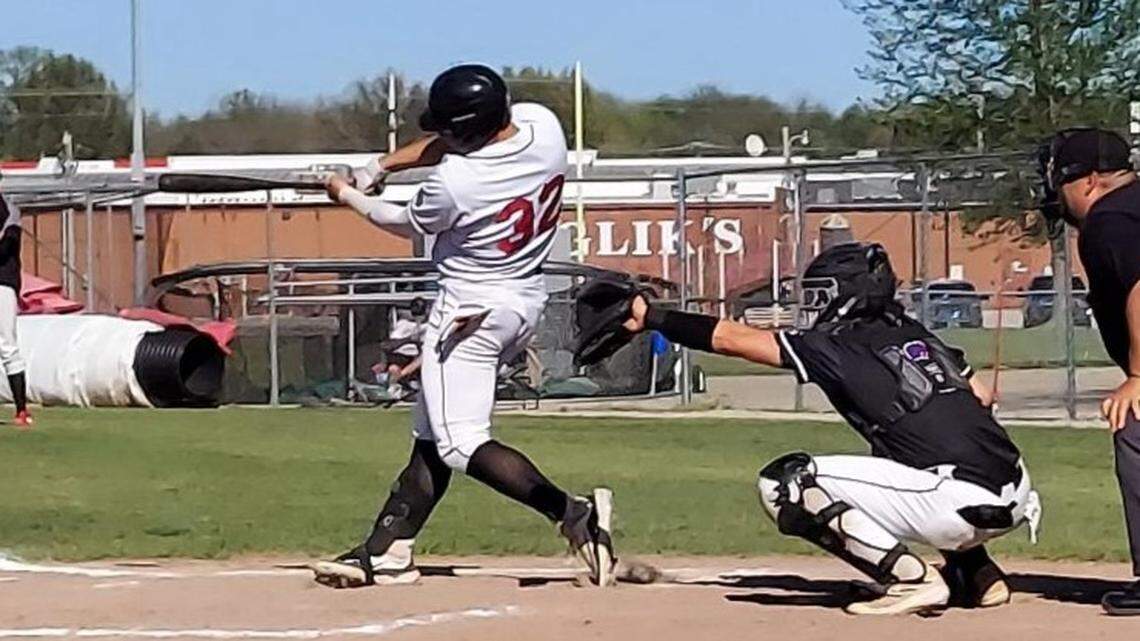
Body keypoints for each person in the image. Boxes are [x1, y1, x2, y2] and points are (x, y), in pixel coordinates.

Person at [311, 64, 614, 587]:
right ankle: (388, 550)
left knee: (460, 444)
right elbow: (448, 142)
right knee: (432, 434)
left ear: (467, 131)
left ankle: (572, 513)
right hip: (520, 299)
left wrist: (348, 196)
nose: (442, 137)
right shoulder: (543, 125)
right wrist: (376, 168)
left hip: (470, 312)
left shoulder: (457, 183)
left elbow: (398, 220)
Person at [621, 242, 1039, 615]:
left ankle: (911, 580)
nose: (813, 304)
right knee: (902, 454)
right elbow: (982, 395)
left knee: (787, 482)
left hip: (956, 503)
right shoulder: (912, 331)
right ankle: (980, 577)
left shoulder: (836, 344)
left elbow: (731, 339)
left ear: (846, 293)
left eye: (821, 293)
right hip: (1015, 492)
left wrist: (651, 316)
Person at [1039, 127, 1140, 615]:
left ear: (1091, 181)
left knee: (1135, 425)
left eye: (1060, 181)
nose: (1054, 193)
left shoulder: (1110, 219)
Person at [0, 192, 31, 428]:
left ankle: (21, 409)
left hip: (2, 284)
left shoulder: (9, 209)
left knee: (7, 347)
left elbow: (7, 246)